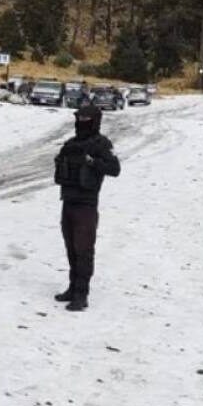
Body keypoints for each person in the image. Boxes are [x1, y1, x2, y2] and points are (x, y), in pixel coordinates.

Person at [53, 103, 121, 311]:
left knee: (84, 251)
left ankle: (81, 294)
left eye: (85, 120)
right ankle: (73, 288)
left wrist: (92, 162)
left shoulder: (101, 144)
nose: (81, 123)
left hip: (87, 206)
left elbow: (115, 169)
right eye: (79, 119)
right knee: (72, 249)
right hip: (68, 202)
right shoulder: (71, 143)